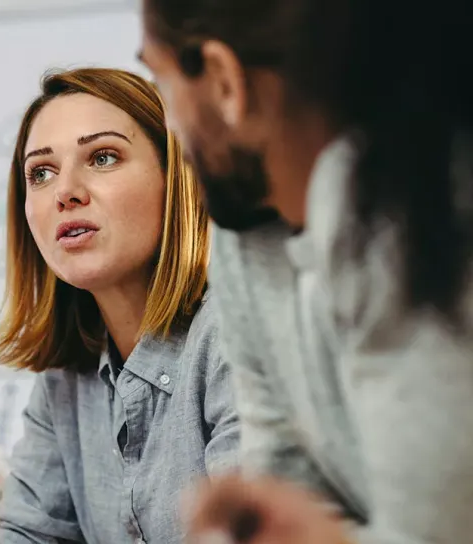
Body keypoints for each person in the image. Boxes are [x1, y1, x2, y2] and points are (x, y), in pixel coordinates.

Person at [138, 1, 473, 543]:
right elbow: (286, 479)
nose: (171, 127)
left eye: (160, 80)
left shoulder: (426, 216)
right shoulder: (243, 236)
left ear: (224, 81)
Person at [0, 67, 239, 544]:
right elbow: (20, 532)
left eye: (102, 157)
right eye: (41, 172)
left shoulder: (241, 336)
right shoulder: (65, 380)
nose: (65, 192)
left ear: (175, 178)